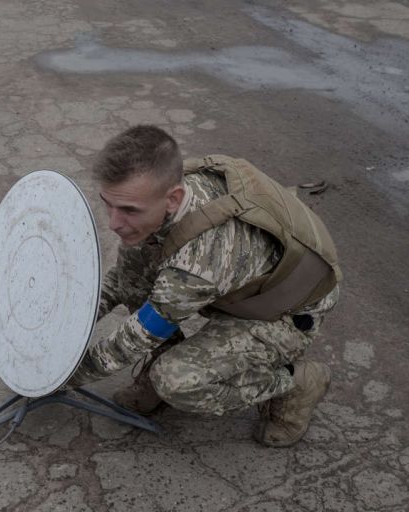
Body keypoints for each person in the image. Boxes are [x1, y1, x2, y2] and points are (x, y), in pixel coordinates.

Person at [68, 125, 342, 447]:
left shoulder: (197, 261)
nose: (114, 222)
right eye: (108, 204)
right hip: (240, 284)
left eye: (128, 210)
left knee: (176, 380)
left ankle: (295, 384)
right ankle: (160, 365)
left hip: (285, 311)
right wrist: (66, 326)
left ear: (173, 199)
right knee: (135, 277)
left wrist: (64, 377)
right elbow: (121, 283)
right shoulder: (157, 198)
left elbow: (139, 334)